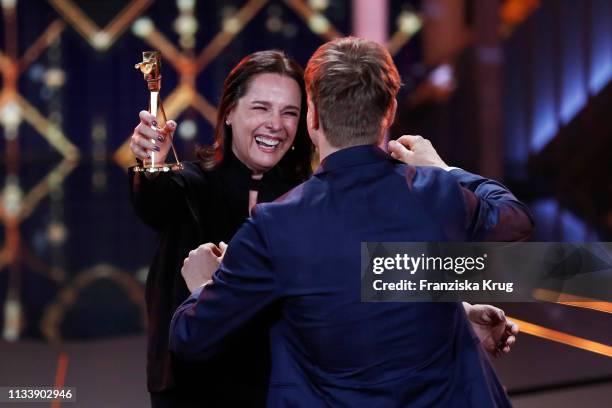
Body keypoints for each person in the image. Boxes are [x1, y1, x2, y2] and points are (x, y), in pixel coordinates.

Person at [170, 37, 533, 407]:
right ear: (388, 112)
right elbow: (514, 220)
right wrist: (442, 170)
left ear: (312, 116)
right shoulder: (436, 192)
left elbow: (192, 338)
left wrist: (203, 286)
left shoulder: (276, 226)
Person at [129, 50, 314, 407]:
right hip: (192, 388)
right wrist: (150, 162)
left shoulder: (309, 198)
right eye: (261, 108)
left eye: (289, 112)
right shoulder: (193, 185)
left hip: (277, 388)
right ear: (229, 112)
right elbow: (153, 200)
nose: (276, 124)